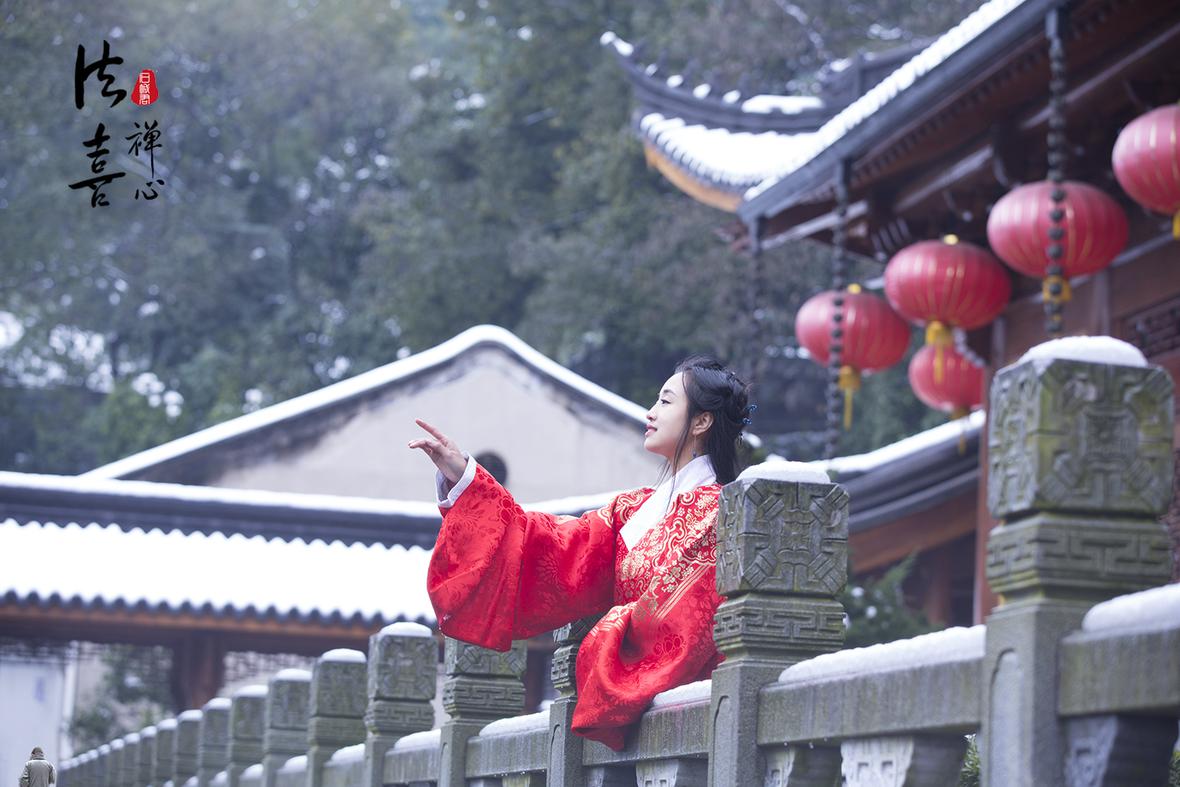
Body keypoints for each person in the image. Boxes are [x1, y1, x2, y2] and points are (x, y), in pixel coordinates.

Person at [409, 354, 754, 750]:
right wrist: (466, 479)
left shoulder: (719, 512)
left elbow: (684, 626)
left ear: (701, 421)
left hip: (696, 722)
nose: (651, 412)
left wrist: (605, 635)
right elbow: (553, 546)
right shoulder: (633, 510)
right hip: (646, 727)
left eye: (665, 401)